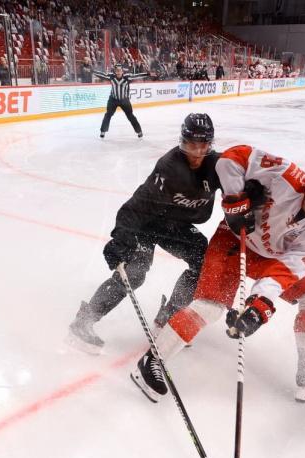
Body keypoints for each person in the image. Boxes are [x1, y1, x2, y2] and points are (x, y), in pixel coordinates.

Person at [131, 147, 305, 403]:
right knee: (209, 307)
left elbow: (282, 272)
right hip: (233, 240)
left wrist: (257, 308)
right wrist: (235, 201)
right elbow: (231, 158)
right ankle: (152, 360)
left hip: (269, 259)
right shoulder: (286, 175)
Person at [68, 114, 222, 352]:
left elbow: (241, 180)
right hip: (147, 222)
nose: (198, 153)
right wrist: (120, 240)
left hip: (175, 225)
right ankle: (83, 321)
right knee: (135, 273)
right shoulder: (169, 167)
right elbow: (136, 207)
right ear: (183, 142)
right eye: (192, 145)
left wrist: (249, 198)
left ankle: (169, 318)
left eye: (204, 146)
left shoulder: (218, 165)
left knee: (204, 260)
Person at [94, 63, 148, 138]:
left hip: (124, 100)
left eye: (120, 70)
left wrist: (148, 74)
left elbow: (137, 76)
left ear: (122, 71)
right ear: (115, 71)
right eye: (117, 70)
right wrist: (93, 71)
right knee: (108, 114)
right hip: (113, 99)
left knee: (130, 116)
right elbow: (102, 75)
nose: (118, 72)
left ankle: (139, 131)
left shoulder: (127, 77)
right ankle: (103, 131)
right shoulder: (111, 76)